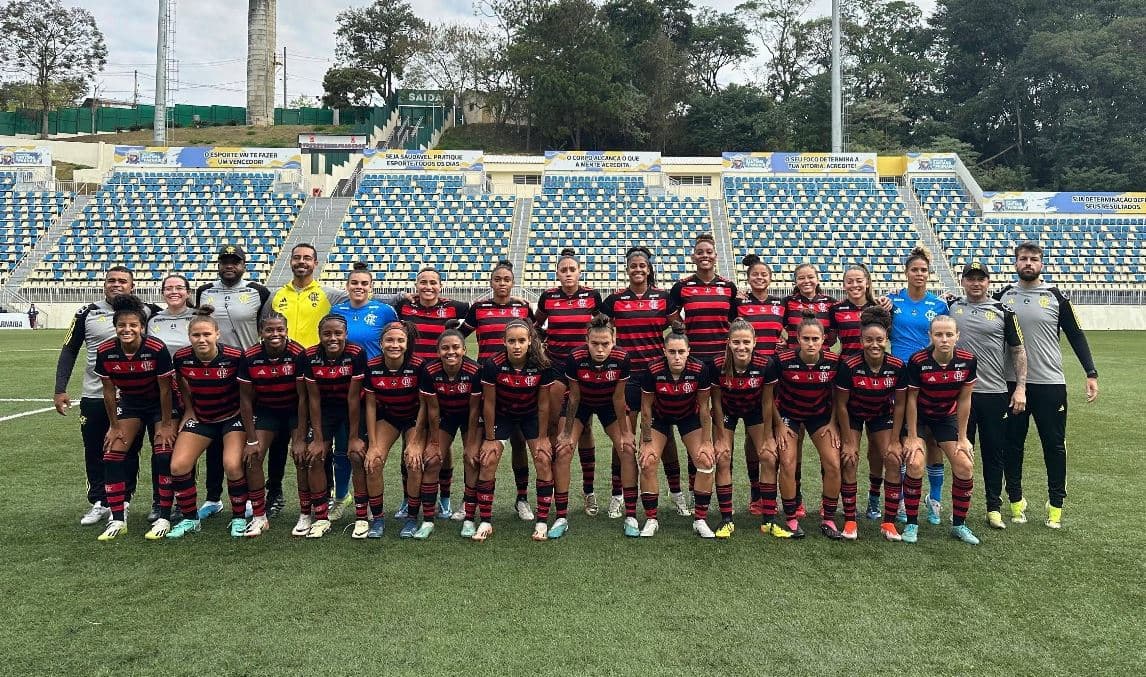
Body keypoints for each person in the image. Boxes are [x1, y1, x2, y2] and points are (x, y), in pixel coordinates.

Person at [994, 242, 1098, 528]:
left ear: (1042, 264)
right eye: (1023, 259)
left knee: (1054, 445)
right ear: (1015, 263)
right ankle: (1015, 501)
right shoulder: (1002, 297)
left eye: (1034, 259)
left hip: (1050, 384)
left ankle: (1055, 505)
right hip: (1013, 383)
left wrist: (1091, 372)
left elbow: (1076, 335)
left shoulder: (1056, 297)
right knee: (1012, 445)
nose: (1028, 263)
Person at [54, 265, 157, 526]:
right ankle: (99, 500)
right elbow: (69, 349)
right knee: (94, 449)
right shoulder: (87, 312)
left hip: (134, 397)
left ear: (132, 286)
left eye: (123, 281)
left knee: (130, 449)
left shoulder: (148, 312)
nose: (116, 285)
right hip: (95, 394)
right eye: (111, 280)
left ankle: (122, 499)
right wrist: (60, 388)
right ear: (104, 284)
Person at [600, 246, 688, 519]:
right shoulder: (614, 300)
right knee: (624, 439)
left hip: (656, 376)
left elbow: (679, 329)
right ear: (627, 269)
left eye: (642, 265)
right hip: (626, 378)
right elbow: (599, 329)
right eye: (633, 265)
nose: (638, 269)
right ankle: (618, 495)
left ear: (649, 269)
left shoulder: (663, 298)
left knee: (664, 434)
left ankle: (676, 494)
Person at [270, 243, 352, 522]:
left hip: (319, 376)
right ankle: (277, 495)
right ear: (290, 261)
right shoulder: (276, 295)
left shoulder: (329, 294)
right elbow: (267, 328)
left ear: (316, 263)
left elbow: (358, 295)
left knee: (323, 439)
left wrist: (403, 296)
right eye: (297, 257)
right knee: (287, 439)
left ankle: (334, 496)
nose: (301, 261)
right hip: (284, 378)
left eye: (307, 258)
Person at [194, 244, 273, 522]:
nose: (230, 265)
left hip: (249, 372)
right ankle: (213, 498)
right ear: (218, 264)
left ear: (243, 264)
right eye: (225, 261)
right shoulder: (204, 291)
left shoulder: (258, 291)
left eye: (235, 261)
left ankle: (256, 497)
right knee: (215, 438)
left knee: (249, 437)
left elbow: (266, 328)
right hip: (215, 373)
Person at [949, 262, 1027, 529]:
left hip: (994, 393)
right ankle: (960, 509)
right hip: (960, 395)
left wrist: (1020, 387)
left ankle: (994, 507)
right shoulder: (951, 308)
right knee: (961, 452)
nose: (975, 283)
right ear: (963, 281)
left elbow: (1018, 351)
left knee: (994, 452)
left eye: (980, 279)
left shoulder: (1004, 311)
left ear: (988, 282)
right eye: (970, 279)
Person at [92, 295, 177, 541]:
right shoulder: (106, 351)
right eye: (121, 325)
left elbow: (165, 389)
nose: (127, 329)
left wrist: (167, 424)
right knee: (112, 454)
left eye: (133, 325)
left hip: (158, 405)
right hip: (130, 404)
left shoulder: (156, 348)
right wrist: (114, 426)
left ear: (141, 327)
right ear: (115, 327)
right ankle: (118, 518)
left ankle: (163, 515)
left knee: (163, 452)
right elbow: (108, 391)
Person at [165, 306, 251, 539]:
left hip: (231, 417)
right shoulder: (182, 358)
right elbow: (182, 384)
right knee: (178, 466)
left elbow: (245, 393)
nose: (202, 339)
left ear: (217, 334)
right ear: (189, 336)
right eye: (196, 335)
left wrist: (246, 419)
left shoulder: (234, 357)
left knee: (232, 465)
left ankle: (238, 517)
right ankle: (190, 519)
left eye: (206, 334)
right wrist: (189, 410)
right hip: (202, 418)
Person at [393, 267, 470, 521]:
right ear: (416, 285)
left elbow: (471, 309)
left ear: (440, 285)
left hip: (443, 382)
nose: (428, 287)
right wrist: (403, 297)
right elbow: (391, 303)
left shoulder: (452, 308)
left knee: (441, 445)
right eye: (423, 283)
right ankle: (408, 498)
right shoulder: (405, 307)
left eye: (433, 283)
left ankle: (445, 499)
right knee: (412, 442)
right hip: (415, 382)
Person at [461, 260, 536, 521]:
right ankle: (468, 500)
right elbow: (460, 335)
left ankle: (522, 498)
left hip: (516, 385)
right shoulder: (478, 308)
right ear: (491, 282)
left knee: (519, 442)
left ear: (512, 283)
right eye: (497, 279)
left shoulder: (523, 308)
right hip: (487, 383)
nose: (502, 283)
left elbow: (535, 339)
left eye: (506, 279)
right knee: (480, 442)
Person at [534, 248, 604, 517]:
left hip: (585, 371)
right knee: (556, 427)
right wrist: (542, 345)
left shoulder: (592, 296)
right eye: (563, 270)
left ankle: (588, 491)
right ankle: (551, 488)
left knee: (584, 428)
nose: (568, 274)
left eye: (572, 270)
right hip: (557, 369)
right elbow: (535, 325)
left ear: (578, 272)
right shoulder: (548, 297)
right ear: (557, 274)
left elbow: (603, 326)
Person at [884, 246, 950, 524]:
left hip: (929, 378)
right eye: (914, 269)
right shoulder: (892, 302)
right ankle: (899, 498)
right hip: (900, 377)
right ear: (906, 272)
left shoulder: (939, 306)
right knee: (901, 438)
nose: (919, 274)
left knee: (933, 440)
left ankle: (934, 498)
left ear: (928, 273)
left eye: (923, 270)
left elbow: (946, 338)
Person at [329, 262, 398, 521]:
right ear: (347, 286)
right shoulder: (337, 311)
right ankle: (341, 497)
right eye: (354, 283)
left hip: (378, 387)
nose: (359, 287)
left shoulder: (384, 311)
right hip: (346, 387)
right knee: (345, 445)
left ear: (371, 286)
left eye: (364, 283)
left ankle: (370, 502)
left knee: (370, 445)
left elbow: (397, 339)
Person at [669, 233, 737, 498]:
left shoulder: (728, 287)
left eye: (709, 251)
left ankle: (722, 483)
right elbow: (673, 318)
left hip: (721, 363)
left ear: (715, 256)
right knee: (697, 421)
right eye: (700, 252)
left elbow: (734, 320)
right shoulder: (682, 286)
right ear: (693, 257)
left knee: (721, 421)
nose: (705, 255)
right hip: (694, 363)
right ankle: (693, 485)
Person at [474, 319, 555, 542]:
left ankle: (541, 522)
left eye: (521, 340)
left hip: (530, 414)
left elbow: (543, 404)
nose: (516, 345)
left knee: (543, 458)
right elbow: (488, 404)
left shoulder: (541, 364)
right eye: (512, 341)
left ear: (530, 341)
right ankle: (486, 521)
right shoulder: (493, 365)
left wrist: (543, 437)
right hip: (503, 414)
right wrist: (490, 438)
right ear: (504, 342)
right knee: (488, 459)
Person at [833, 306, 909, 541]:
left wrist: (896, 441)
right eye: (868, 340)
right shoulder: (849, 366)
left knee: (893, 459)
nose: (874, 345)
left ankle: (888, 522)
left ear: (887, 339)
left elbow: (900, 405)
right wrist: (847, 441)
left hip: (881, 415)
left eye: (879, 340)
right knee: (849, 459)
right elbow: (842, 406)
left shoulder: (897, 366)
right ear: (860, 340)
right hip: (853, 414)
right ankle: (849, 521)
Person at [904, 315, 980, 545]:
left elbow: (965, 400)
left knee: (965, 465)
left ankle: (959, 524)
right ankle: (911, 523)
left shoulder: (967, 360)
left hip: (946, 417)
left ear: (957, 336)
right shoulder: (918, 360)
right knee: (915, 463)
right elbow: (910, 399)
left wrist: (963, 437)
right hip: (919, 416)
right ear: (930, 336)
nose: (944, 339)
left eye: (949, 334)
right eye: (938, 334)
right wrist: (913, 436)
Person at [556, 316, 633, 539]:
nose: (600, 350)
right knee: (563, 451)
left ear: (614, 340)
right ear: (586, 340)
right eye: (594, 344)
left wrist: (626, 433)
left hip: (609, 403)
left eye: (605, 344)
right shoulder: (575, 358)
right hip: (581, 403)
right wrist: (566, 433)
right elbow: (574, 398)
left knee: (627, 450)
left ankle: (630, 514)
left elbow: (619, 399)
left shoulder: (622, 357)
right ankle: (561, 515)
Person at [767, 310, 842, 539]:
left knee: (833, 463)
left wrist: (832, 423)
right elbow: (768, 397)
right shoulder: (781, 361)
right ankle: (791, 517)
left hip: (820, 417)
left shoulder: (833, 362)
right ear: (797, 339)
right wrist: (779, 425)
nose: (811, 343)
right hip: (788, 416)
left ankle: (828, 518)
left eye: (815, 339)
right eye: (806, 339)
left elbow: (839, 396)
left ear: (824, 340)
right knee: (787, 462)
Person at [638, 325, 716, 539]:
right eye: (672, 352)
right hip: (659, 417)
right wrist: (645, 441)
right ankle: (651, 519)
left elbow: (704, 410)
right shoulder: (653, 370)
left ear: (689, 351)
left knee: (706, 460)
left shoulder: (699, 369)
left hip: (688, 416)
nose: (677, 357)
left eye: (681, 352)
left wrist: (707, 442)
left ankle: (700, 519)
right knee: (648, 460)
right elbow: (645, 409)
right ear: (664, 351)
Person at [236, 311, 309, 537]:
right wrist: (250, 439)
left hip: (294, 411)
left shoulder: (298, 354)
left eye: (279, 329)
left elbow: (304, 397)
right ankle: (259, 516)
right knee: (252, 456)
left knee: (302, 456)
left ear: (287, 331)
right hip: (266, 411)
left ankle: (305, 514)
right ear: (261, 333)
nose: (275, 334)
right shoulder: (250, 356)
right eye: (269, 330)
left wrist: (298, 439)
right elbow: (246, 400)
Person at [296, 314, 367, 539]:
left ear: (346, 334)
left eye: (338, 333)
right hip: (324, 410)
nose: (332, 338)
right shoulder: (309, 356)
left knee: (355, 455)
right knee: (314, 456)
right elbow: (313, 399)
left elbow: (354, 399)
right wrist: (317, 439)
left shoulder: (355, 353)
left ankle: (362, 516)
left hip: (352, 409)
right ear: (320, 336)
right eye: (327, 334)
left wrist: (355, 436)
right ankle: (320, 517)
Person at [360, 321, 427, 539]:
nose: (394, 345)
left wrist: (416, 441)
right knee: (373, 461)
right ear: (381, 343)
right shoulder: (372, 366)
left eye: (400, 340)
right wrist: (372, 445)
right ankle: (378, 519)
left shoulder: (418, 366)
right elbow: (370, 405)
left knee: (414, 462)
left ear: (407, 344)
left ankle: (411, 517)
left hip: (414, 418)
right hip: (388, 418)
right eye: (389, 340)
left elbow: (425, 405)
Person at [780, 263, 836, 517]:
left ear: (817, 278)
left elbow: (834, 333)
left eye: (810, 277)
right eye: (801, 277)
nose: (806, 281)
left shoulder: (830, 303)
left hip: (818, 372)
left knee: (830, 454)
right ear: (795, 281)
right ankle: (796, 500)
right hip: (793, 371)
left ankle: (828, 505)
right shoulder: (787, 303)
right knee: (793, 449)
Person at [733, 254, 786, 516]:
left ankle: (783, 494)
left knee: (775, 434)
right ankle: (757, 493)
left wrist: (788, 345)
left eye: (764, 274)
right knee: (753, 440)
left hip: (773, 376)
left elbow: (796, 330)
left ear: (770, 277)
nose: (760, 277)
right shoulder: (740, 304)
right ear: (749, 278)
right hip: (744, 377)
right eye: (755, 274)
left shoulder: (781, 304)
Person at [828, 264, 882, 520]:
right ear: (843, 285)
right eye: (849, 281)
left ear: (867, 282)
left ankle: (873, 499)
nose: (854, 285)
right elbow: (824, 340)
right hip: (845, 381)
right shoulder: (836, 310)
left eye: (859, 280)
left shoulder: (880, 309)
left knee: (877, 449)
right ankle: (844, 501)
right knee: (847, 449)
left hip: (876, 383)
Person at [710, 319, 773, 539]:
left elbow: (767, 403)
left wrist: (768, 438)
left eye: (746, 342)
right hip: (727, 411)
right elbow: (716, 403)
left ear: (755, 342)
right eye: (736, 342)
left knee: (768, 456)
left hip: (754, 411)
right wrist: (719, 437)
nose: (741, 347)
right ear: (728, 343)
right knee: (723, 457)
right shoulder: (717, 364)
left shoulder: (766, 364)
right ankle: (727, 518)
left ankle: (768, 519)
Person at [420, 322, 483, 536]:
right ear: (438, 351)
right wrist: (435, 443)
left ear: (464, 350)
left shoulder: (474, 370)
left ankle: (468, 514)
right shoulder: (430, 371)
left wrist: (473, 444)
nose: (451, 352)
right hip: (445, 417)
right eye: (445, 348)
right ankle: (428, 519)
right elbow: (433, 409)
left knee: (472, 458)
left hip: (469, 418)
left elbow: (475, 411)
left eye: (456, 347)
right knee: (432, 460)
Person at [145, 273, 196, 522]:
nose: (174, 291)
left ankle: (185, 499)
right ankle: (160, 499)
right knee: (162, 449)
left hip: (193, 390)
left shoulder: (197, 318)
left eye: (179, 287)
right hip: (161, 392)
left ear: (188, 291)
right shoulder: (154, 320)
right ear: (162, 292)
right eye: (168, 288)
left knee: (187, 446)